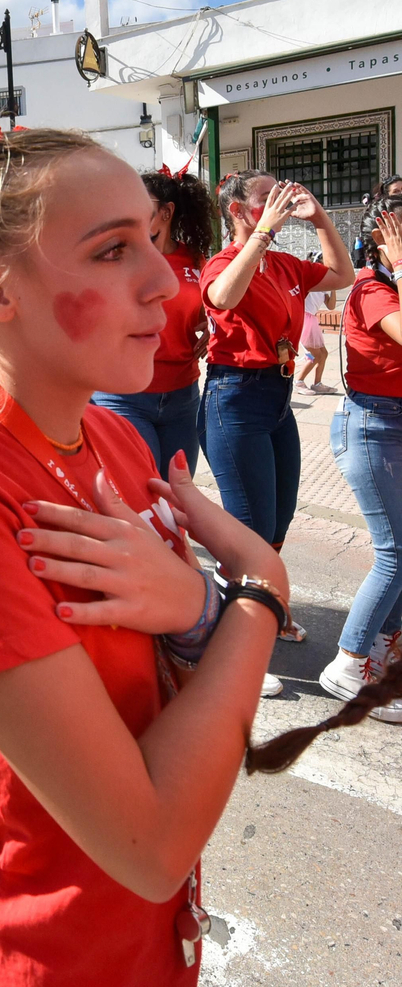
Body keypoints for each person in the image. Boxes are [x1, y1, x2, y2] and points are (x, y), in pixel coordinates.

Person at [0, 116, 290, 986]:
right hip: (23, 958)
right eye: (111, 251)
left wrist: (197, 612)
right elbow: (149, 843)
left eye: (151, 240)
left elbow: (181, 699)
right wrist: (260, 589)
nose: (164, 283)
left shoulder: (115, 439)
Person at [202, 172, 355, 677]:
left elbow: (341, 274)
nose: (281, 201)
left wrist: (320, 219)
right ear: (236, 211)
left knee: (278, 521)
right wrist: (263, 233)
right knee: (250, 529)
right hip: (234, 398)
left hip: (277, 398)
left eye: (281, 194)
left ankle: (263, 609)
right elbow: (223, 296)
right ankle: (235, 642)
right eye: (266, 197)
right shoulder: (226, 261)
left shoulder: (285, 264)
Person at [322, 200, 402, 722]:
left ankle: (378, 648)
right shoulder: (373, 289)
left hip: (393, 424)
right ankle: (348, 663)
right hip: (373, 427)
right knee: (395, 552)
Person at [92, 170, 214, 477]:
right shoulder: (114, 256)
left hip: (182, 396)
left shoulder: (195, 261)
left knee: (177, 494)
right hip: (123, 394)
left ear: (166, 212)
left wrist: (214, 328)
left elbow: (209, 310)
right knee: (141, 491)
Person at [294, 277, 337, 394]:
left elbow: (331, 306)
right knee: (315, 355)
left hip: (311, 319)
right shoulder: (311, 281)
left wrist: (333, 288)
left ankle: (317, 384)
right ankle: (299, 382)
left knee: (323, 353)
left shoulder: (325, 288)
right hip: (304, 318)